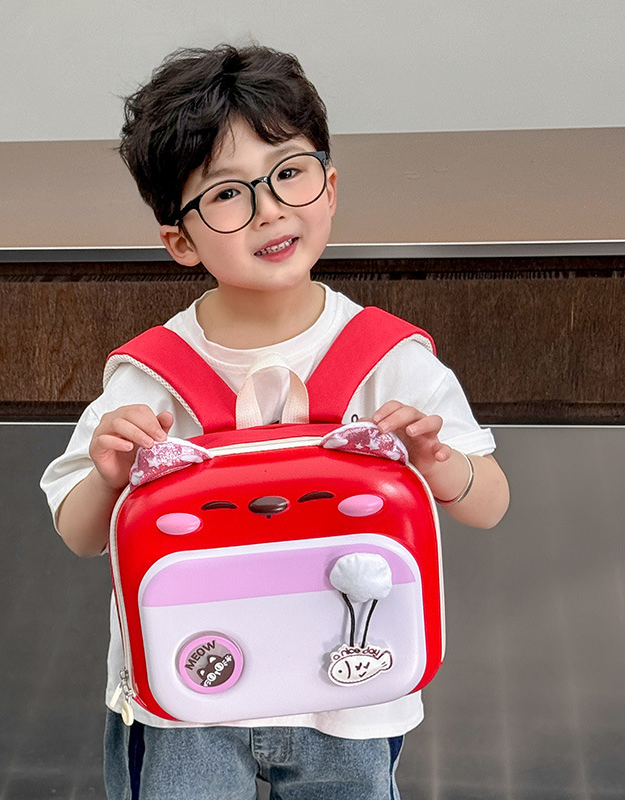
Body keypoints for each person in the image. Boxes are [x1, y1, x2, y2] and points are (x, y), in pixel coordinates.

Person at [41, 43, 509, 800]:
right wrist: (106, 473)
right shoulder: (149, 374)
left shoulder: (390, 359)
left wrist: (436, 460)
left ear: (329, 185)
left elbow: (490, 503)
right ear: (181, 241)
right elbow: (79, 532)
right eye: (227, 194)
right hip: (189, 690)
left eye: (288, 173)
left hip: (348, 695)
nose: (269, 208)